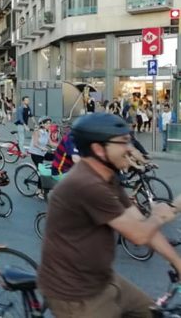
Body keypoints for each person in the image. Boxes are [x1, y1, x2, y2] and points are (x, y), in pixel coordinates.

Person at [38, 113, 181, 317]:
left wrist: (177, 263)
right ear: (99, 149)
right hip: (75, 296)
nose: (130, 149)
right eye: (123, 142)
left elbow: (140, 223)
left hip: (103, 279)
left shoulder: (108, 178)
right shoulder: (85, 184)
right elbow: (138, 235)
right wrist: (159, 215)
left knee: (154, 313)